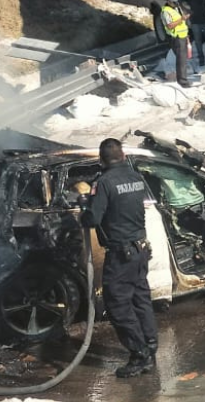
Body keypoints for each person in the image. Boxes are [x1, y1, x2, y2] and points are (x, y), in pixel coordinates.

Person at [82, 139, 157, 378]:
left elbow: (93, 219)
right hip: (140, 250)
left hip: (121, 255)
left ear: (101, 160)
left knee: (117, 305)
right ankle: (150, 347)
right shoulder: (136, 177)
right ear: (123, 156)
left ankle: (139, 355)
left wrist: (84, 209)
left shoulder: (103, 183)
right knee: (140, 299)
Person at [161, 0, 191, 87]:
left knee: (183, 59)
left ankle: (182, 79)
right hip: (176, 37)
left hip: (182, 36)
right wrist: (181, 19)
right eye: (174, 2)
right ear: (168, 1)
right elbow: (169, 26)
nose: (176, 4)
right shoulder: (166, 11)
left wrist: (187, 37)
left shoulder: (176, 8)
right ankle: (183, 82)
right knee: (181, 60)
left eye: (177, 2)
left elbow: (183, 24)